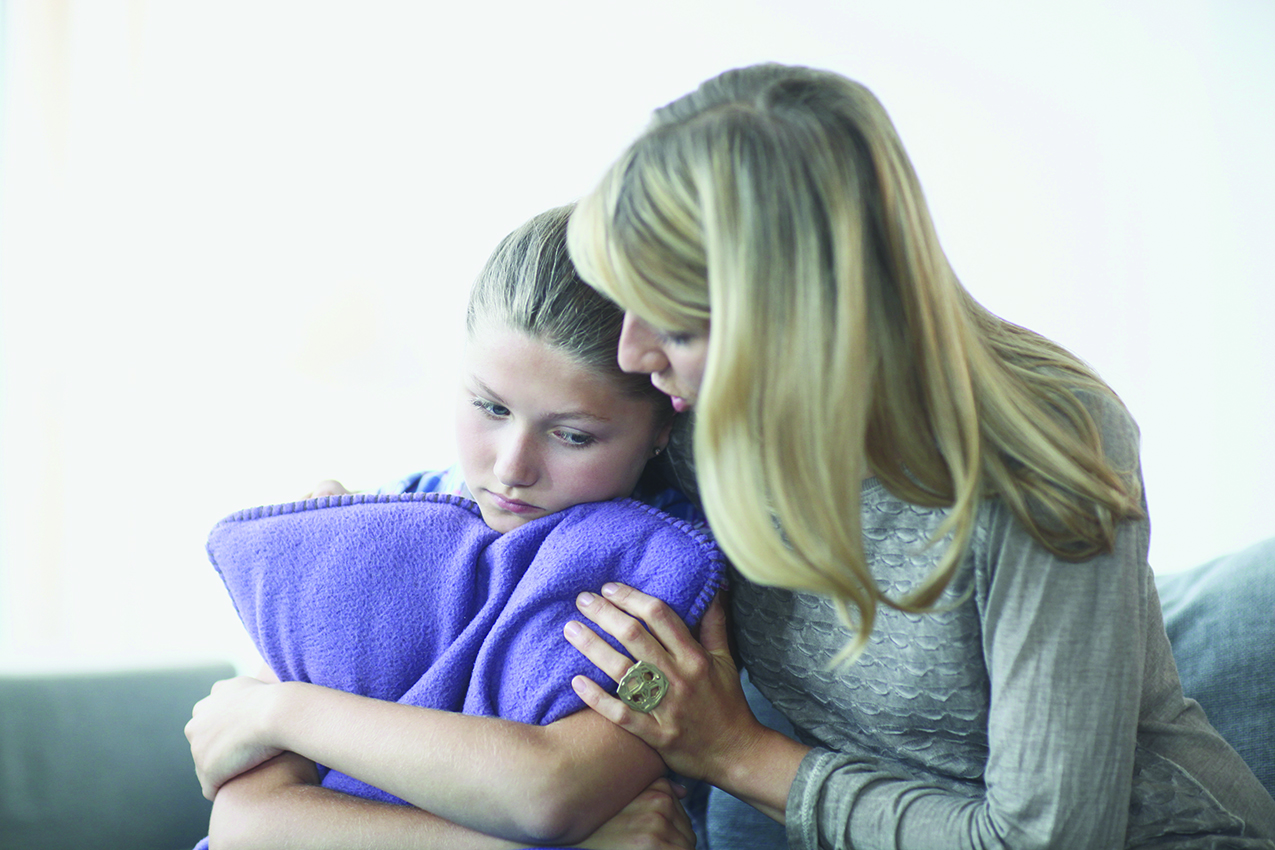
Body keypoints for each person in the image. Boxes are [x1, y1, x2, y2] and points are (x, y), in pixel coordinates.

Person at [560, 63, 1275, 849]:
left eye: (678, 327)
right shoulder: (690, 425)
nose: (630, 354)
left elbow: (1045, 839)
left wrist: (735, 754)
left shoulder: (1045, 449)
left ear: (802, 317)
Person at [185, 205, 706, 850]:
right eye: (490, 407)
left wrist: (280, 711)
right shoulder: (393, 518)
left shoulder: (674, 572)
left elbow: (549, 792)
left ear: (663, 425)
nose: (512, 468)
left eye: (572, 436)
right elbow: (248, 825)